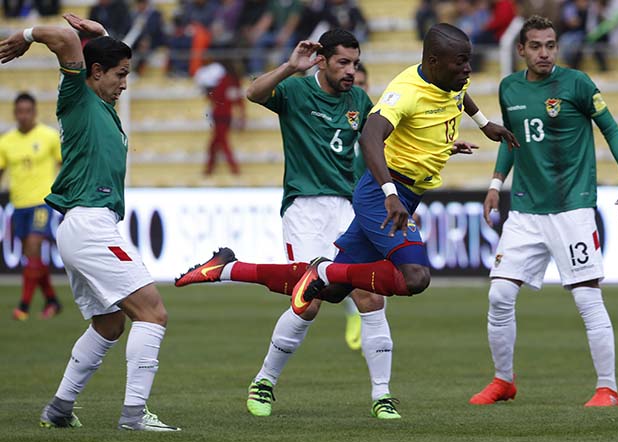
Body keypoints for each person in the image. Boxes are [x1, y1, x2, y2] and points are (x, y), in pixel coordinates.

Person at [175, 23, 518, 417]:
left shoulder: (361, 97)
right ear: (322, 61)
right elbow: (256, 94)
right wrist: (289, 67)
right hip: (307, 204)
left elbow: (416, 121)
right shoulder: (298, 91)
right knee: (317, 300)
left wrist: (448, 139)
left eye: (355, 63)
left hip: (350, 201)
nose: (351, 70)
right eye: (343, 62)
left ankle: (380, 394)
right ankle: (264, 382)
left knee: (356, 293)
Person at [0, 13, 179, 431]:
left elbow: (87, 50)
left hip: (86, 226)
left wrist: (102, 37)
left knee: (110, 323)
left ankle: (60, 408)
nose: (125, 83)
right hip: (89, 224)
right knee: (153, 313)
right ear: (94, 73)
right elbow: (62, 38)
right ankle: (134, 414)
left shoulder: (99, 103)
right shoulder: (78, 97)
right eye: (120, 74)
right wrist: (26, 37)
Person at [468, 15, 618, 407]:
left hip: (572, 208)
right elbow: (511, 139)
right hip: (526, 210)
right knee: (498, 295)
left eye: (550, 45)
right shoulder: (509, 87)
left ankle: (607, 388)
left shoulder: (576, 83)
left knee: (586, 297)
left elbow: (610, 127)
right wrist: (496, 184)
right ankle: (503, 381)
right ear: (521, 50)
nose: (544, 53)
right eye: (536, 46)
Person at [0, 92, 63, 321]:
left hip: (42, 203)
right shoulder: (6, 142)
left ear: (34, 112)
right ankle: (52, 301)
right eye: (20, 112)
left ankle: (23, 306)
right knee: (32, 257)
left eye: (28, 111)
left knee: (34, 247)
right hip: (19, 205)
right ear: (15, 113)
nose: (24, 116)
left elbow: (63, 164)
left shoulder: (49, 137)